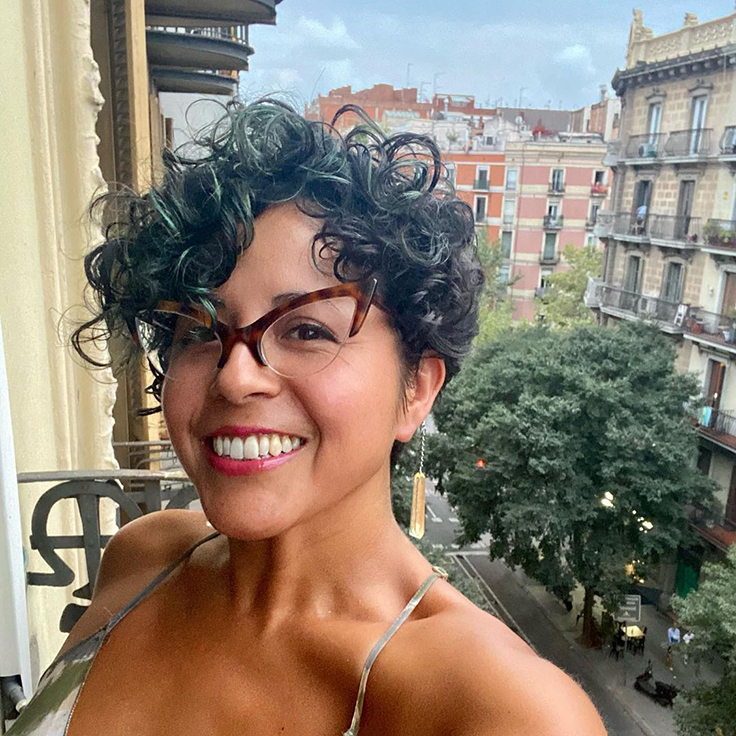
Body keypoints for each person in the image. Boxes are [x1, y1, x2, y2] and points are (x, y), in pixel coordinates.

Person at [9, 100, 606, 736]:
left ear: (417, 390)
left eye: (306, 329)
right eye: (198, 329)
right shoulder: (142, 558)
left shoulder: (500, 710)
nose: (234, 376)